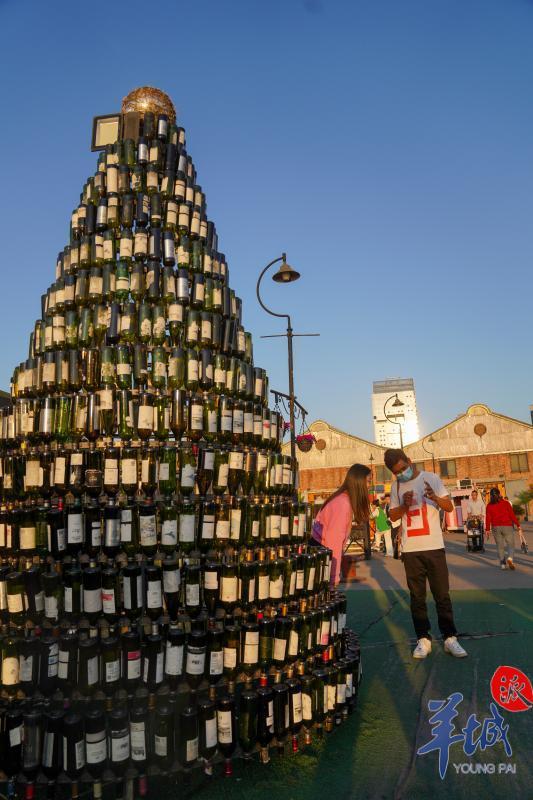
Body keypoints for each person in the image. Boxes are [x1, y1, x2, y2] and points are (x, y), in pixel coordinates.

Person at [385, 448, 468, 660]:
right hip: (411, 549)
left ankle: (450, 638)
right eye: (397, 472)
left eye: (403, 468)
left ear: (410, 461)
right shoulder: (396, 486)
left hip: (434, 546)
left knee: (442, 594)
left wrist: (434, 498)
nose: (401, 473)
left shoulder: (431, 477)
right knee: (417, 597)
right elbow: (393, 515)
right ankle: (423, 638)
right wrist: (404, 504)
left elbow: (449, 507)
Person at [310, 464, 371, 587]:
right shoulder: (343, 503)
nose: (369, 486)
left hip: (319, 551)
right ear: (359, 482)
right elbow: (334, 542)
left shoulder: (342, 499)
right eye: (368, 481)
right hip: (320, 553)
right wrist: (333, 578)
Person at [484, 488, 521, 570]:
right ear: (499, 494)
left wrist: (487, 529)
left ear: (490, 496)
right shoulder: (506, 503)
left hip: (496, 527)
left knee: (500, 546)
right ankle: (510, 558)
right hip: (507, 526)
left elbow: (488, 518)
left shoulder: (489, 506)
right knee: (510, 543)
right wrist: (518, 525)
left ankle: (503, 564)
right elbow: (512, 515)